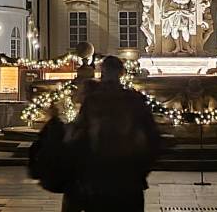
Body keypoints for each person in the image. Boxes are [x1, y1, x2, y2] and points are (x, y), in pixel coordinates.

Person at [67, 55, 161, 212]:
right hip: (129, 177)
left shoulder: (93, 100)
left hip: (98, 177)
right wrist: (142, 169)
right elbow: (152, 137)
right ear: (121, 73)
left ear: (102, 73)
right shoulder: (134, 99)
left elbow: (78, 136)